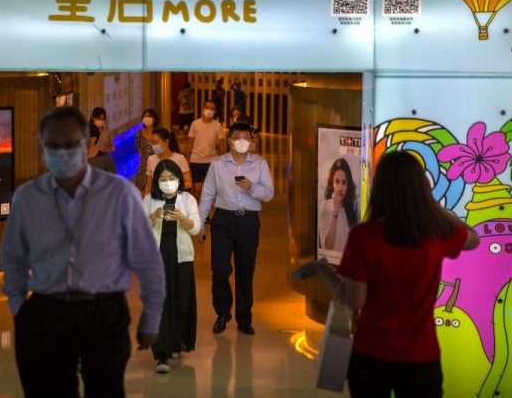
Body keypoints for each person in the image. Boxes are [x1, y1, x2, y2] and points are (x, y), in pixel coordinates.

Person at [0, 107, 165, 397]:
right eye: (53, 145)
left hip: (103, 312)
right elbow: (13, 259)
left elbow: (148, 259)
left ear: (88, 144)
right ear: (42, 147)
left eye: (70, 144)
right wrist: (19, 309)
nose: (62, 152)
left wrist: (151, 316)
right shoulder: (28, 197)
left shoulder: (119, 194)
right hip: (45, 312)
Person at [291, 150, 479, 398]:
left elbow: (353, 300)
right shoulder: (434, 235)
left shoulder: (364, 237)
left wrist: (322, 269)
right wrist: (431, 203)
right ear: (420, 188)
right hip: (421, 356)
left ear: (380, 188)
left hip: (371, 355)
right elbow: (472, 238)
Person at [198, 123, 274, 335]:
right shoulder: (218, 164)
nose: (243, 141)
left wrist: (252, 187)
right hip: (223, 220)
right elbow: (208, 194)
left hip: (248, 221)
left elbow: (269, 194)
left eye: (246, 137)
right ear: (230, 140)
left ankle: (244, 318)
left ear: (251, 140)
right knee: (220, 269)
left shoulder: (260, 164)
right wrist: (201, 222)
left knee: (245, 271)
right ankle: (222, 312)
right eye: (238, 137)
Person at [142, 160, 200, 374]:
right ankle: (161, 354)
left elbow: (195, 229)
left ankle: (176, 342)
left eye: (172, 179)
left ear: (179, 179)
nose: (168, 183)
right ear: (157, 181)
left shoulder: (188, 199)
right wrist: (153, 216)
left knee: (180, 299)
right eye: (163, 179)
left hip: (182, 256)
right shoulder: (149, 199)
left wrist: (181, 218)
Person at [185, 100, 226, 201]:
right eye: (207, 107)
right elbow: (189, 143)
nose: (209, 110)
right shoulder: (195, 124)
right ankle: (197, 209)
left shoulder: (217, 126)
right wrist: (186, 161)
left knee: (210, 190)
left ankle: (205, 211)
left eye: (212, 109)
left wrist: (223, 162)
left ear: (215, 111)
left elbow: (222, 145)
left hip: (211, 161)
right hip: (196, 160)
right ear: (203, 109)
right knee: (197, 188)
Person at [318, 158, 358, 252]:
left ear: (348, 185)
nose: (340, 188)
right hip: (331, 263)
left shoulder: (352, 208)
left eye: (344, 183)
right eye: (337, 181)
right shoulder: (324, 207)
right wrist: (335, 212)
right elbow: (327, 246)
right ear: (332, 183)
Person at [145, 127, 192, 195]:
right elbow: (149, 184)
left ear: (166, 141)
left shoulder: (179, 159)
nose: (153, 145)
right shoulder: (151, 159)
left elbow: (188, 183)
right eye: (152, 142)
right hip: (157, 201)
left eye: (156, 142)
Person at [135, 109, 159, 193]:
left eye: (149, 116)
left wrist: (155, 143)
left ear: (154, 119)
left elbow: (160, 152)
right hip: (143, 168)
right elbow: (139, 150)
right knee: (143, 195)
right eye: (145, 116)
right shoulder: (139, 134)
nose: (146, 118)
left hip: (157, 167)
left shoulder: (159, 133)